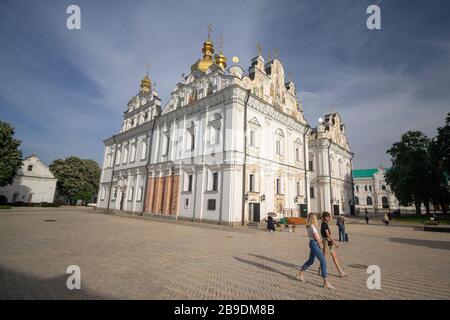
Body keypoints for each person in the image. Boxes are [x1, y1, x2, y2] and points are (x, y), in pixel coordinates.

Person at [296, 214, 334, 289]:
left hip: (312, 243)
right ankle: (325, 282)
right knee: (323, 261)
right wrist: (320, 245)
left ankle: (300, 274)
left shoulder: (308, 226)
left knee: (311, 260)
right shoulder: (313, 227)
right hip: (315, 244)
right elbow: (317, 238)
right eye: (316, 218)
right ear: (314, 219)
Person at [318, 212, 347, 278]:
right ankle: (321, 270)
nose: (327, 218)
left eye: (328, 216)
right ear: (323, 217)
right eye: (326, 216)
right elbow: (327, 234)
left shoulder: (325, 224)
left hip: (329, 242)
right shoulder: (324, 224)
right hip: (327, 242)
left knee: (334, 257)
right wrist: (335, 242)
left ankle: (340, 272)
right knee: (324, 258)